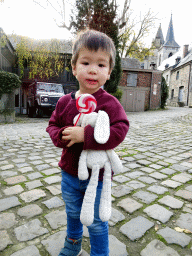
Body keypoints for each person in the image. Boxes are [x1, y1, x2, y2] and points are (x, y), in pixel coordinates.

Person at [46, 29, 129, 256]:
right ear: (74, 67)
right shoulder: (64, 102)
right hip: (70, 174)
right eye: (86, 62)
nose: (93, 69)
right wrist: (65, 134)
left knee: (95, 221)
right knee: (73, 212)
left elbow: (121, 129)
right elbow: (52, 127)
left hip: (98, 177)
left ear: (109, 72)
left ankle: (100, 253)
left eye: (101, 65)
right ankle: (72, 244)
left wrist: (87, 136)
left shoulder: (110, 104)